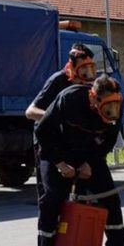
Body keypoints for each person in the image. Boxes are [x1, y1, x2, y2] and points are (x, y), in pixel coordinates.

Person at [34, 75, 124, 246]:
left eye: (115, 105)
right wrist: (60, 164)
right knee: (52, 199)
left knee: (110, 198)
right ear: (93, 98)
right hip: (56, 152)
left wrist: (90, 163)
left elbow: (108, 141)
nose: (112, 111)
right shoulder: (69, 98)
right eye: (107, 106)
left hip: (88, 154)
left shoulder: (117, 104)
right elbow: (42, 131)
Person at [25, 44, 97, 198]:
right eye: (83, 67)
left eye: (90, 67)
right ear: (73, 65)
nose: (87, 72)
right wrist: (58, 119)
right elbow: (30, 112)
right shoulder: (58, 80)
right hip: (49, 141)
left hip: (72, 143)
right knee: (51, 195)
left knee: (80, 194)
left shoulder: (90, 85)